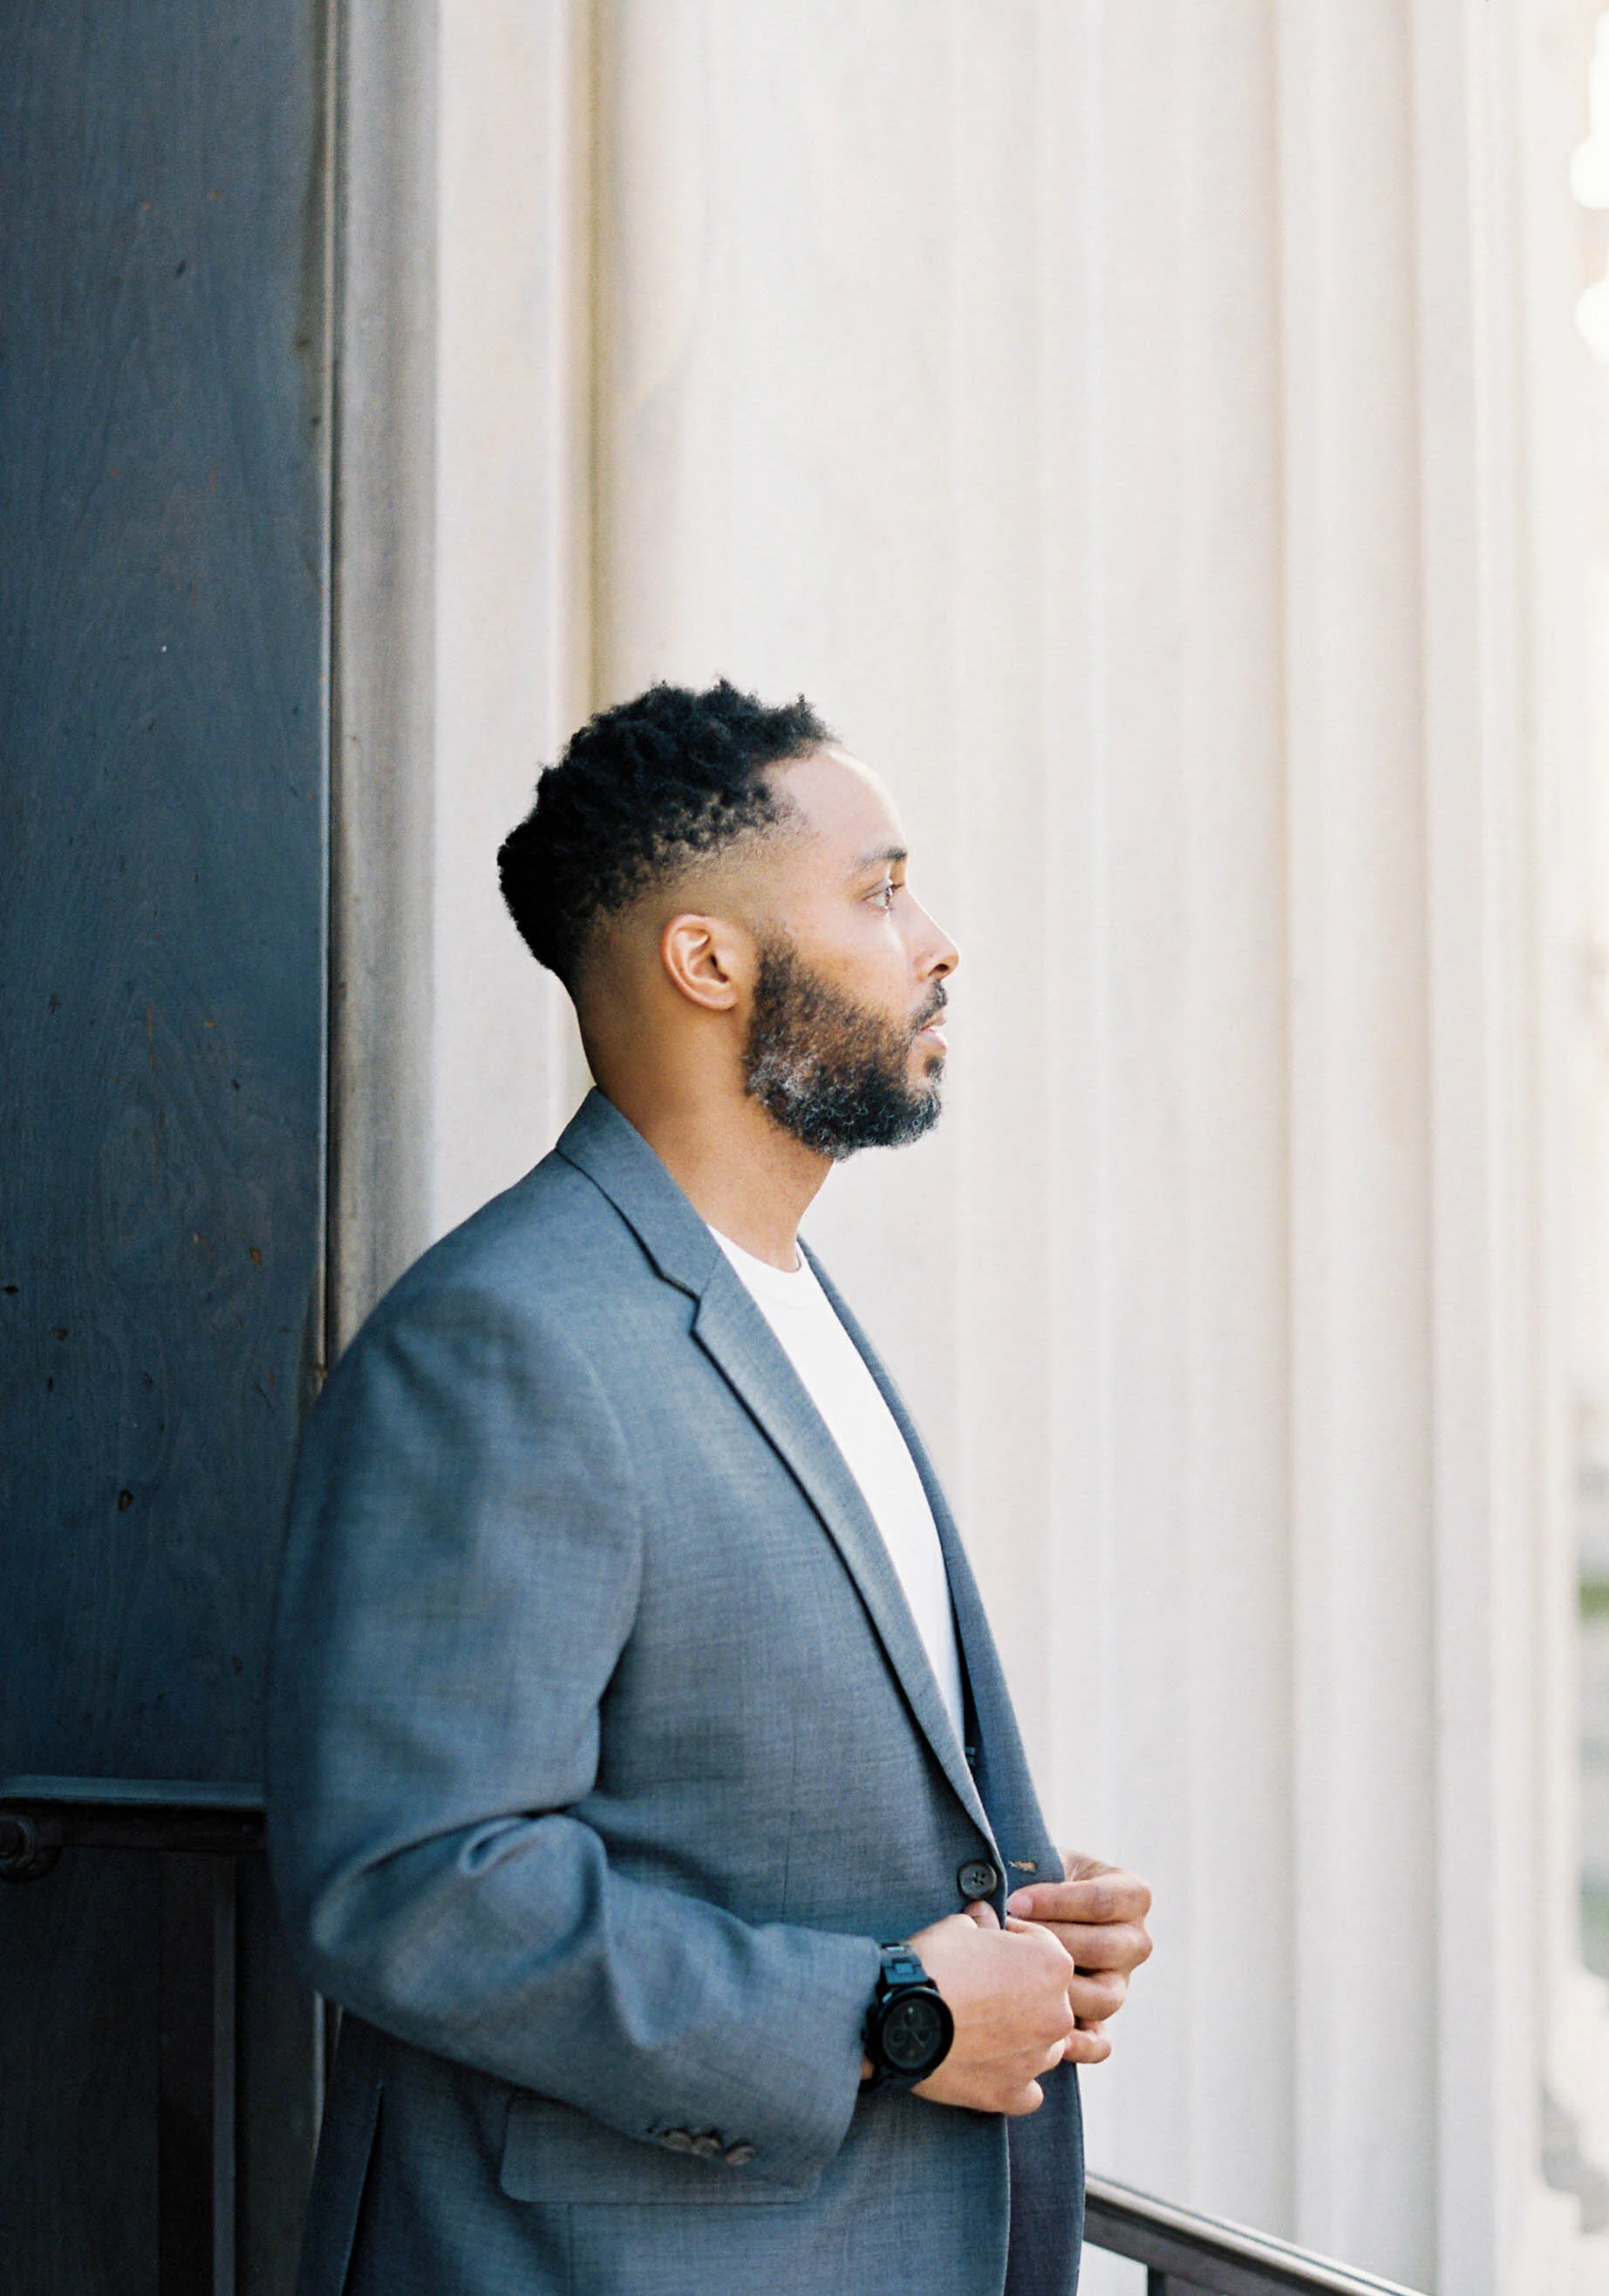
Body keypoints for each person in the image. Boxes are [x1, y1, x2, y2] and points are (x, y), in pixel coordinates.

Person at [267, 680, 1154, 2296]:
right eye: (880, 890)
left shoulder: (779, 1295)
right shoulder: (504, 1340)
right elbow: (409, 1878)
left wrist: (1002, 1919)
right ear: (707, 957)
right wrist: (890, 2011)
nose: (938, 940)